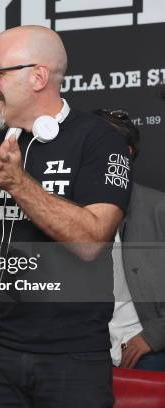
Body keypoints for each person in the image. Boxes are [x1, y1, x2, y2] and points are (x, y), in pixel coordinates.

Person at [0, 26, 132, 407]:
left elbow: (92, 240)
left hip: (73, 357)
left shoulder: (99, 139)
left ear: (38, 76)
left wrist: (17, 182)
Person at [95, 109, 165, 371]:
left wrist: (153, 336)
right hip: (86, 350)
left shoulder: (159, 209)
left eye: (98, 144)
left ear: (126, 154)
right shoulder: (64, 212)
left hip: (149, 351)